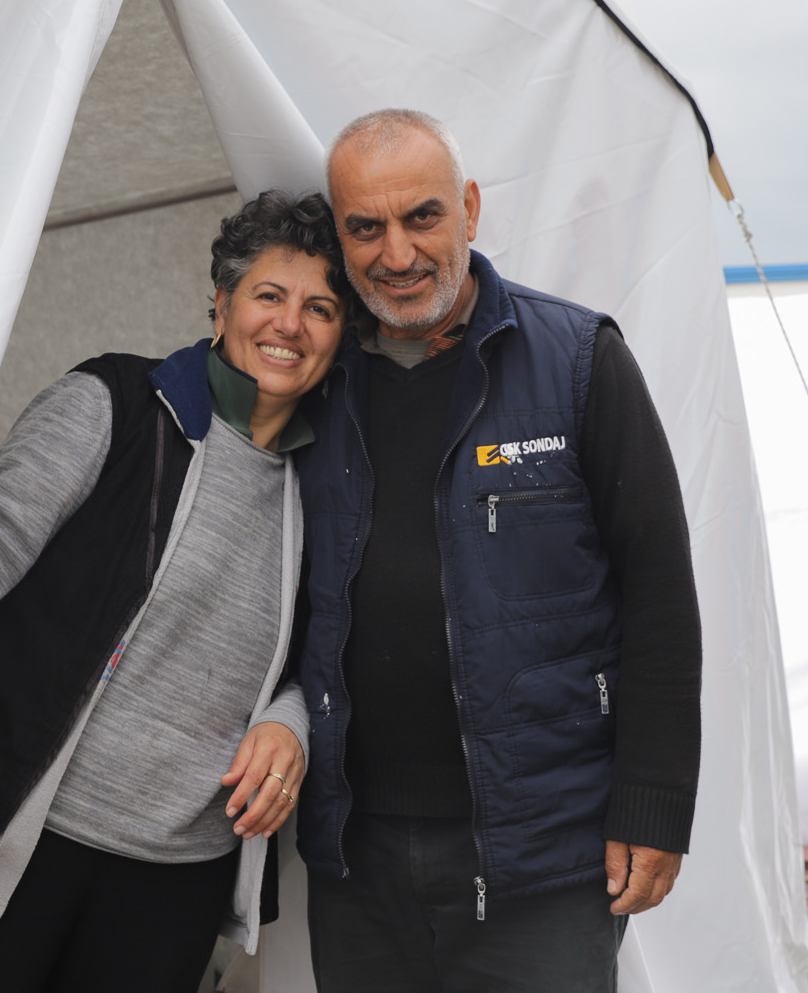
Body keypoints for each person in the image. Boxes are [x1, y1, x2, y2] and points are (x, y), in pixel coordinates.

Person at [0, 191, 351, 993]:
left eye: (321, 307)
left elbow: (325, 651)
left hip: (171, 883)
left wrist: (290, 723)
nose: (290, 325)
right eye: (270, 294)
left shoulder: (329, 488)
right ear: (223, 300)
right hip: (0, 839)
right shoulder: (115, 403)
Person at [294, 110, 703, 993]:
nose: (396, 253)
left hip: (543, 861)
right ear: (340, 235)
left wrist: (656, 802)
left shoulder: (576, 361)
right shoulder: (313, 386)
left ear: (470, 210)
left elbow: (660, 595)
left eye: (423, 217)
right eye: (366, 227)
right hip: (357, 861)